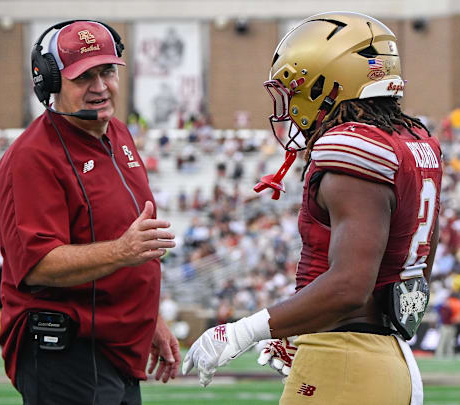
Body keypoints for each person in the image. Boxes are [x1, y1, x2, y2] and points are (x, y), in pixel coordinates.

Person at [182, 12, 442, 405]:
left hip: (347, 361)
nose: (290, 107)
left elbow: (351, 286)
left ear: (327, 84)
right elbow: (410, 272)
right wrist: (300, 325)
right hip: (380, 355)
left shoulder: (352, 148)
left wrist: (244, 331)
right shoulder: (413, 139)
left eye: (295, 91)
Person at [0, 20, 179, 405]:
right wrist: (122, 251)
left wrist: (150, 319)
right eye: (83, 76)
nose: (99, 87)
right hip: (69, 350)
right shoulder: (32, 158)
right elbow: (37, 263)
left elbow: (123, 240)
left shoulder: (118, 133)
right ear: (51, 82)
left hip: (115, 344)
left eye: (107, 71)